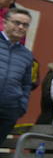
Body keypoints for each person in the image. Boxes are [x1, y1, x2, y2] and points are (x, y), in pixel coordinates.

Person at [0, 8, 35, 144]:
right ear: (5, 22)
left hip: (9, 110)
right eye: (16, 22)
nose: (20, 27)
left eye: (25, 25)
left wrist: (21, 106)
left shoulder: (27, 55)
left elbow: (26, 84)